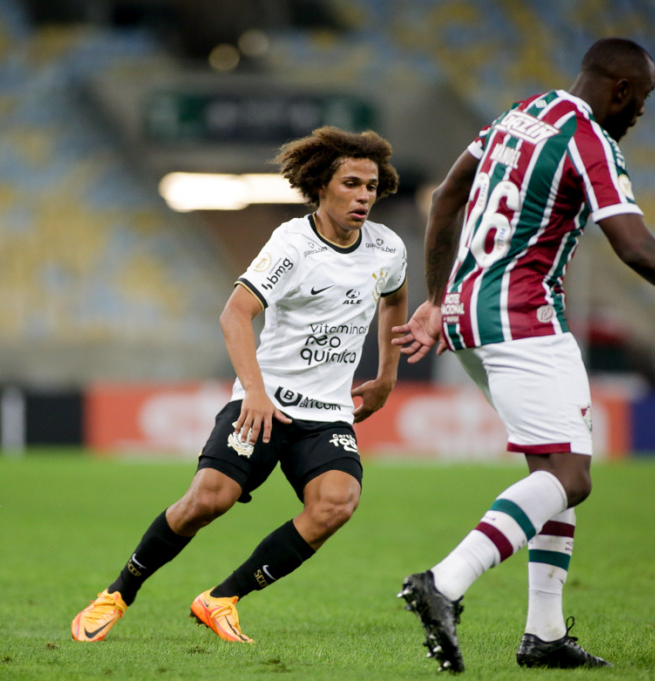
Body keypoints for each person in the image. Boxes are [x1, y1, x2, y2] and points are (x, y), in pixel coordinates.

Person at [393, 37, 655, 673]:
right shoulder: (591, 141)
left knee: (553, 475)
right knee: (571, 479)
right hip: (524, 321)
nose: (641, 114)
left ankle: (543, 635)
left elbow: (445, 198)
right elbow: (636, 247)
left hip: (469, 317)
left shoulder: (518, 115)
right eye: (644, 100)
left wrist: (438, 299)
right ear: (622, 91)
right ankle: (444, 582)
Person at [71, 126, 407, 643]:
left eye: (371, 185)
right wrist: (254, 392)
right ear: (321, 185)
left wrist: (386, 375)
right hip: (265, 400)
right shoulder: (293, 245)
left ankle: (221, 598)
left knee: (336, 504)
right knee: (208, 500)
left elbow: (394, 299)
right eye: (351, 183)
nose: (364, 195)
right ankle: (117, 593)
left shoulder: (386, 247)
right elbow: (235, 314)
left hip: (328, 413)